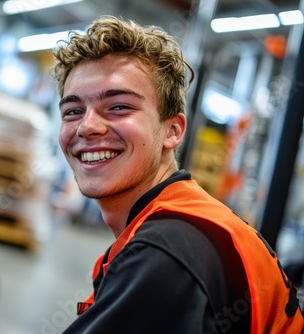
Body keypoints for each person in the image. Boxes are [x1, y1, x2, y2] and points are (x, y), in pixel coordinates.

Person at [51, 15, 304, 333]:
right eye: (73, 111)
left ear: (172, 131)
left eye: (119, 107)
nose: (87, 126)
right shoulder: (185, 225)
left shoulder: (168, 251)